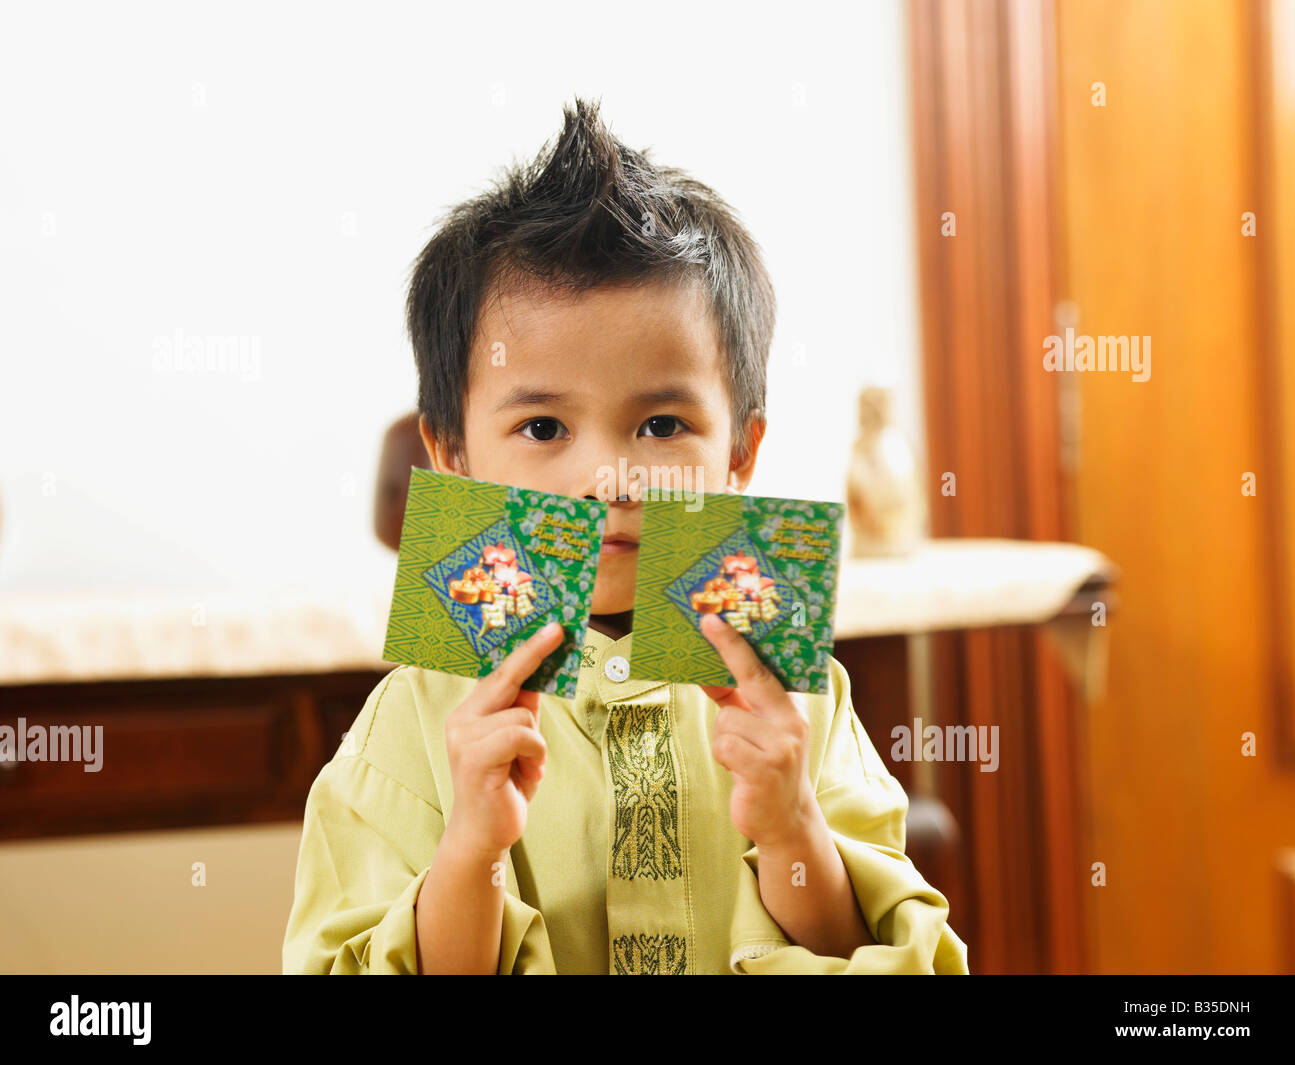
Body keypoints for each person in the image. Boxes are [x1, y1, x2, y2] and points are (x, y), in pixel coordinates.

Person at [282, 96, 969, 975]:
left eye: (660, 423)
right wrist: (471, 850)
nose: (609, 477)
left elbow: (876, 953)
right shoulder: (412, 725)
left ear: (740, 451)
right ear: (450, 456)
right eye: (541, 429)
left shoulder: (802, 704)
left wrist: (794, 825)